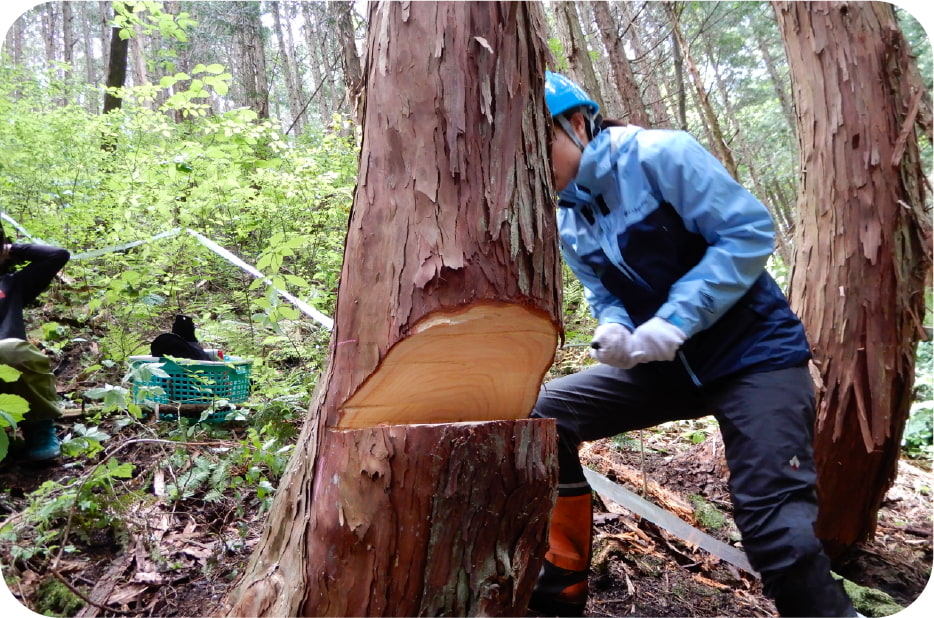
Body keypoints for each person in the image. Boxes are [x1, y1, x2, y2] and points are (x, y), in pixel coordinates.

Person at [527, 72, 856, 617]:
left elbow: (747, 232)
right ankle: (559, 582)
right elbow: (603, 291)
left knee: (775, 529)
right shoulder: (569, 218)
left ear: (578, 123)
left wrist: (678, 318)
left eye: (539, 142)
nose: (534, 164)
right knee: (543, 417)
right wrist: (614, 329)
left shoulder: (660, 155)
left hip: (754, 356)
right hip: (667, 366)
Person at [0, 221, 70, 462]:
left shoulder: (12, 284)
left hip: (8, 366)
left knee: (9, 350)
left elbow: (57, 256)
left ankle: (38, 428)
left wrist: (9, 248)